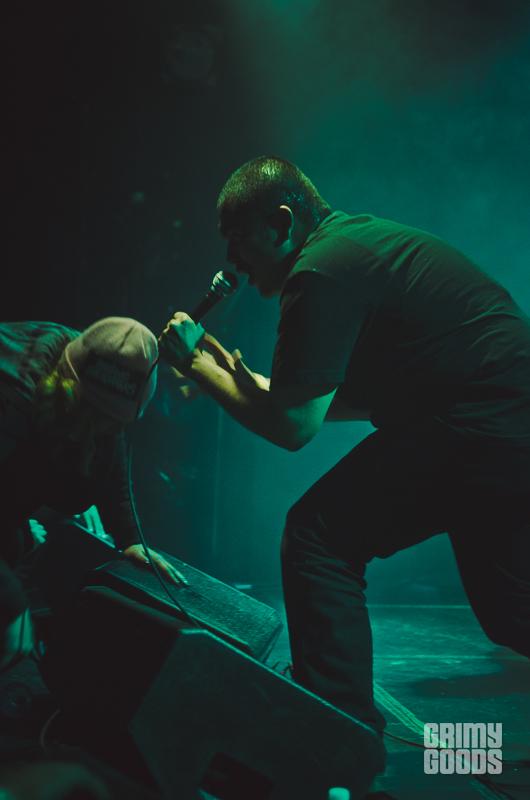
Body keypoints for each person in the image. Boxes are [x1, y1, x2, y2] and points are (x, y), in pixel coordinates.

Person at [159, 155, 530, 748]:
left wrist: (197, 366)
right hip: (503, 421)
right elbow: (318, 399)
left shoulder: (319, 272)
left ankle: (337, 732)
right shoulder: (350, 249)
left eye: (239, 238)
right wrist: (235, 374)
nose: (232, 259)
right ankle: (338, 727)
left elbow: (293, 427)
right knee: (510, 610)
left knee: (319, 538)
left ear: (281, 222)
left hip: (479, 421)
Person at [0, 316, 185, 673]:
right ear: (67, 379)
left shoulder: (102, 370)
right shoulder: (12, 391)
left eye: (109, 420)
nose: (96, 428)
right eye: (88, 410)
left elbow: (112, 445)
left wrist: (130, 538)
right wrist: (10, 601)